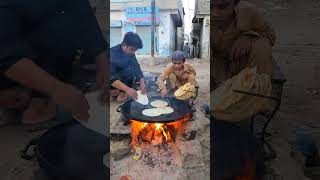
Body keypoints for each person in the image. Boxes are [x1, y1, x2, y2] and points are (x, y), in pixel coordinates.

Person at [0, 0, 107, 125]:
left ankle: (40, 96)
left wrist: (103, 64)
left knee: (63, 26)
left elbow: (84, 16)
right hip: (9, 64)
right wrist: (55, 89)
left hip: (40, 58)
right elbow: (5, 51)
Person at [211, 0, 276, 89]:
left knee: (261, 45)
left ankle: (256, 90)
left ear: (235, 3)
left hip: (243, 66)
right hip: (218, 68)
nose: (215, 14)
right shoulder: (208, 21)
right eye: (210, 7)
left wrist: (249, 36)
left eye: (222, 7)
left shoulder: (248, 12)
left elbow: (271, 35)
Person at [110, 32, 146, 102]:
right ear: (124, 45)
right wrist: (127, 89)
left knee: (121, 99)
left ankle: (121, 92)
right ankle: (113, 91)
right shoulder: (112, 54)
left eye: (135, 50)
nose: (133, 52)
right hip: (112, 81)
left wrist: (142, 82)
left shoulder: (131, 53)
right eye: (132, 49)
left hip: (125, 80)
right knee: (111, 98)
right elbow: (111, 77)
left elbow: (136, 67)